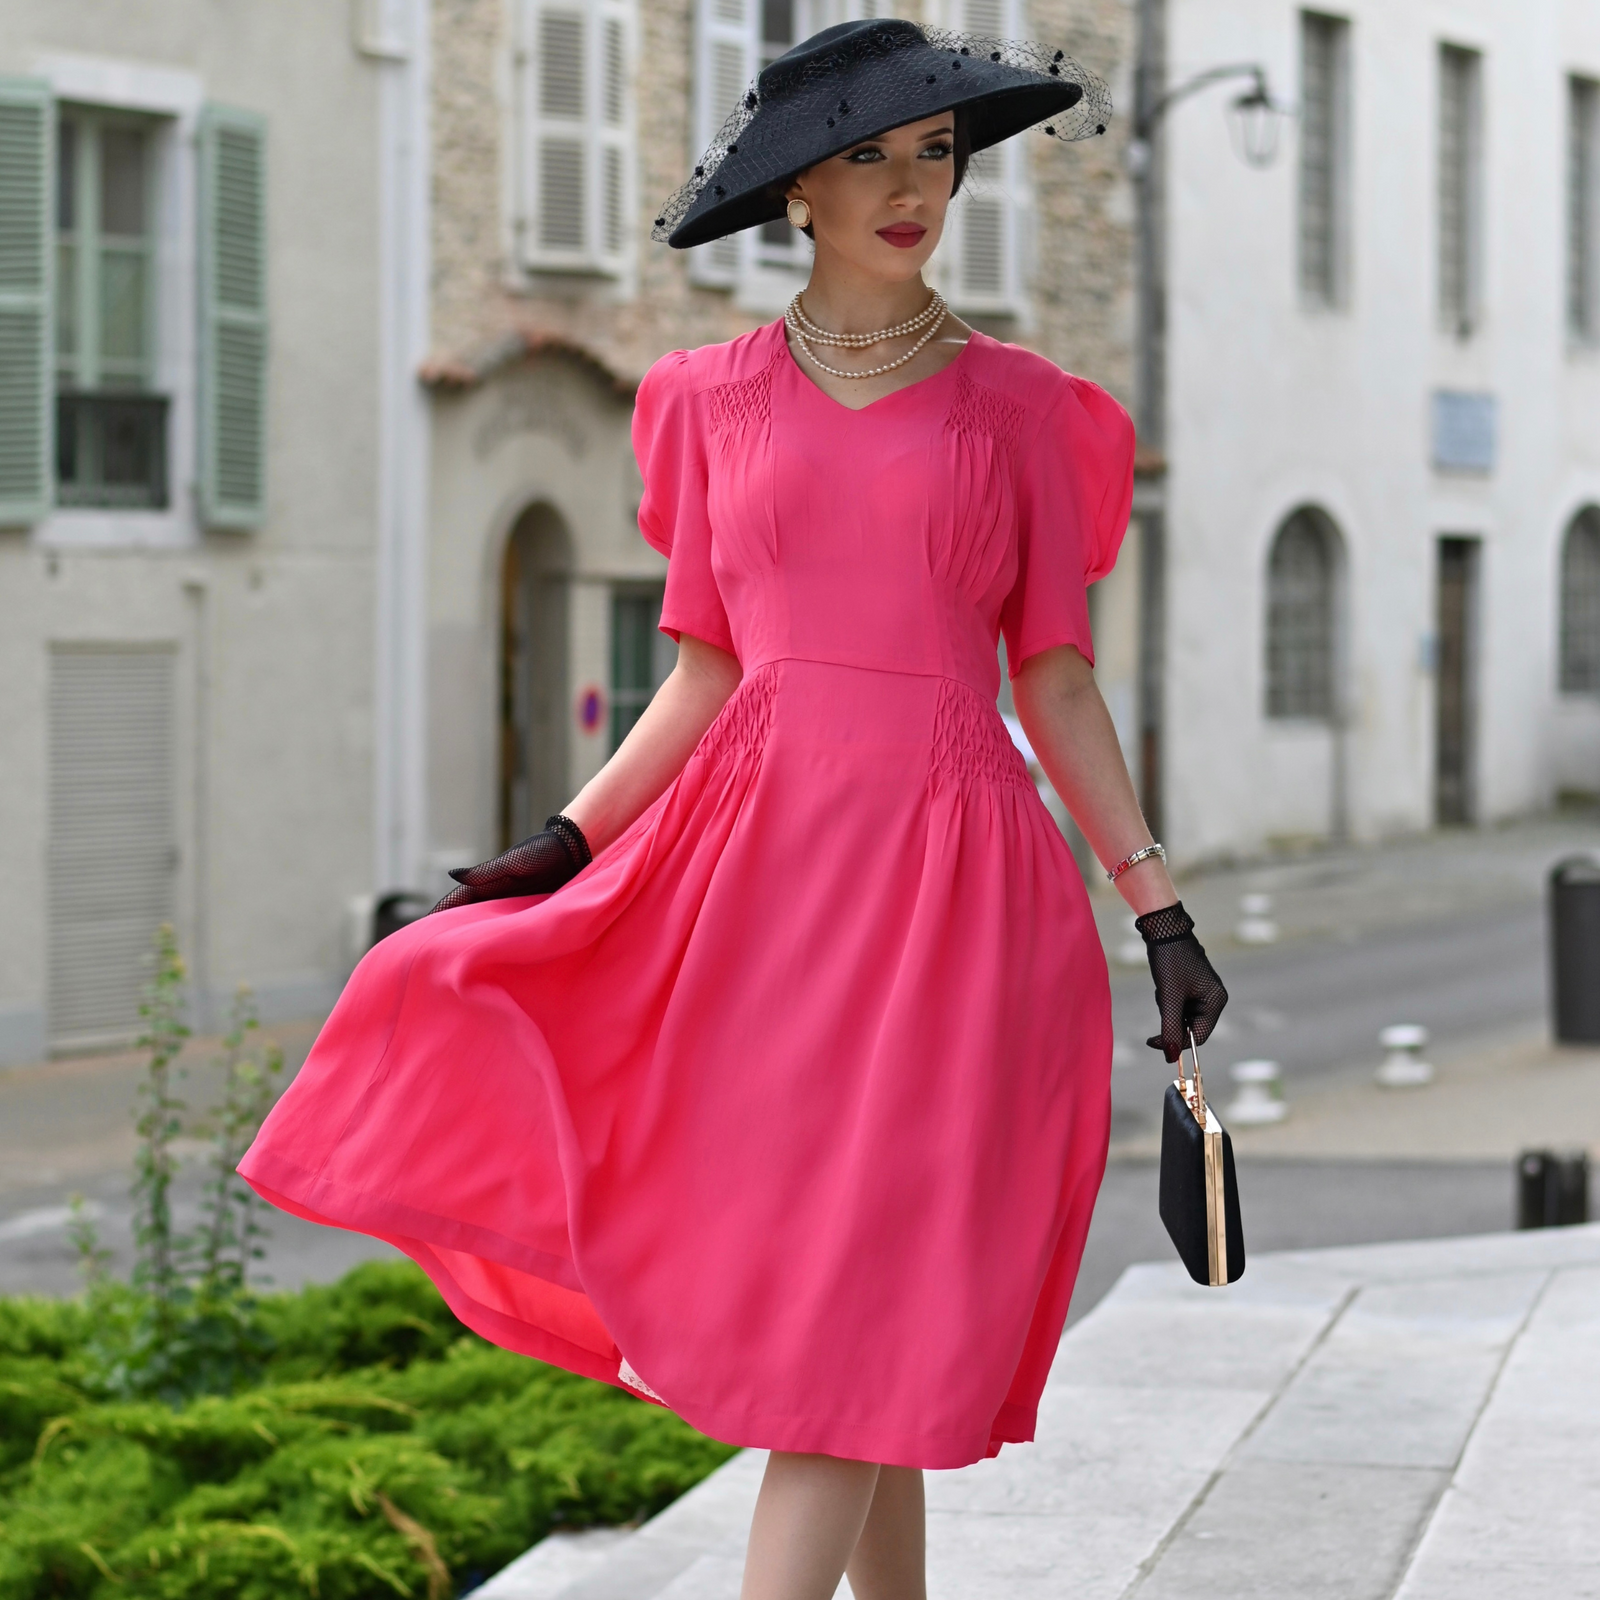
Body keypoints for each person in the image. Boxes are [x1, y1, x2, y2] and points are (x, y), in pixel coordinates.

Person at [241, 19, 1229, 1600]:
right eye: (869, 158)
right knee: (846, 1318)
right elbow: (701, 674)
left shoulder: (1026, 413)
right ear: (798, 197)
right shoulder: (703, 401)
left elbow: (1053, 684)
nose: (913, 188)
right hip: (758, 887)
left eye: (934, 156)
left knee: (859, 1308)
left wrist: (1158, 907)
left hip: (956, 892)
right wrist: (565, 842)